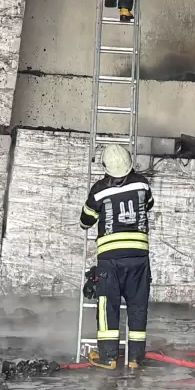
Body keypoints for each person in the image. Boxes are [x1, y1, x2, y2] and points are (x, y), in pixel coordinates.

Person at [80, 144, 154, 370]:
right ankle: (135, 359)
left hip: (110, 259)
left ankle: (108, 357)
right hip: (139, 257)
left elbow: (85, 221)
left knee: (108, 307)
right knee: (138, 307)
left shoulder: (99, 190)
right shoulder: (142, 183)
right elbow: (149, 204)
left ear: (106, 167)